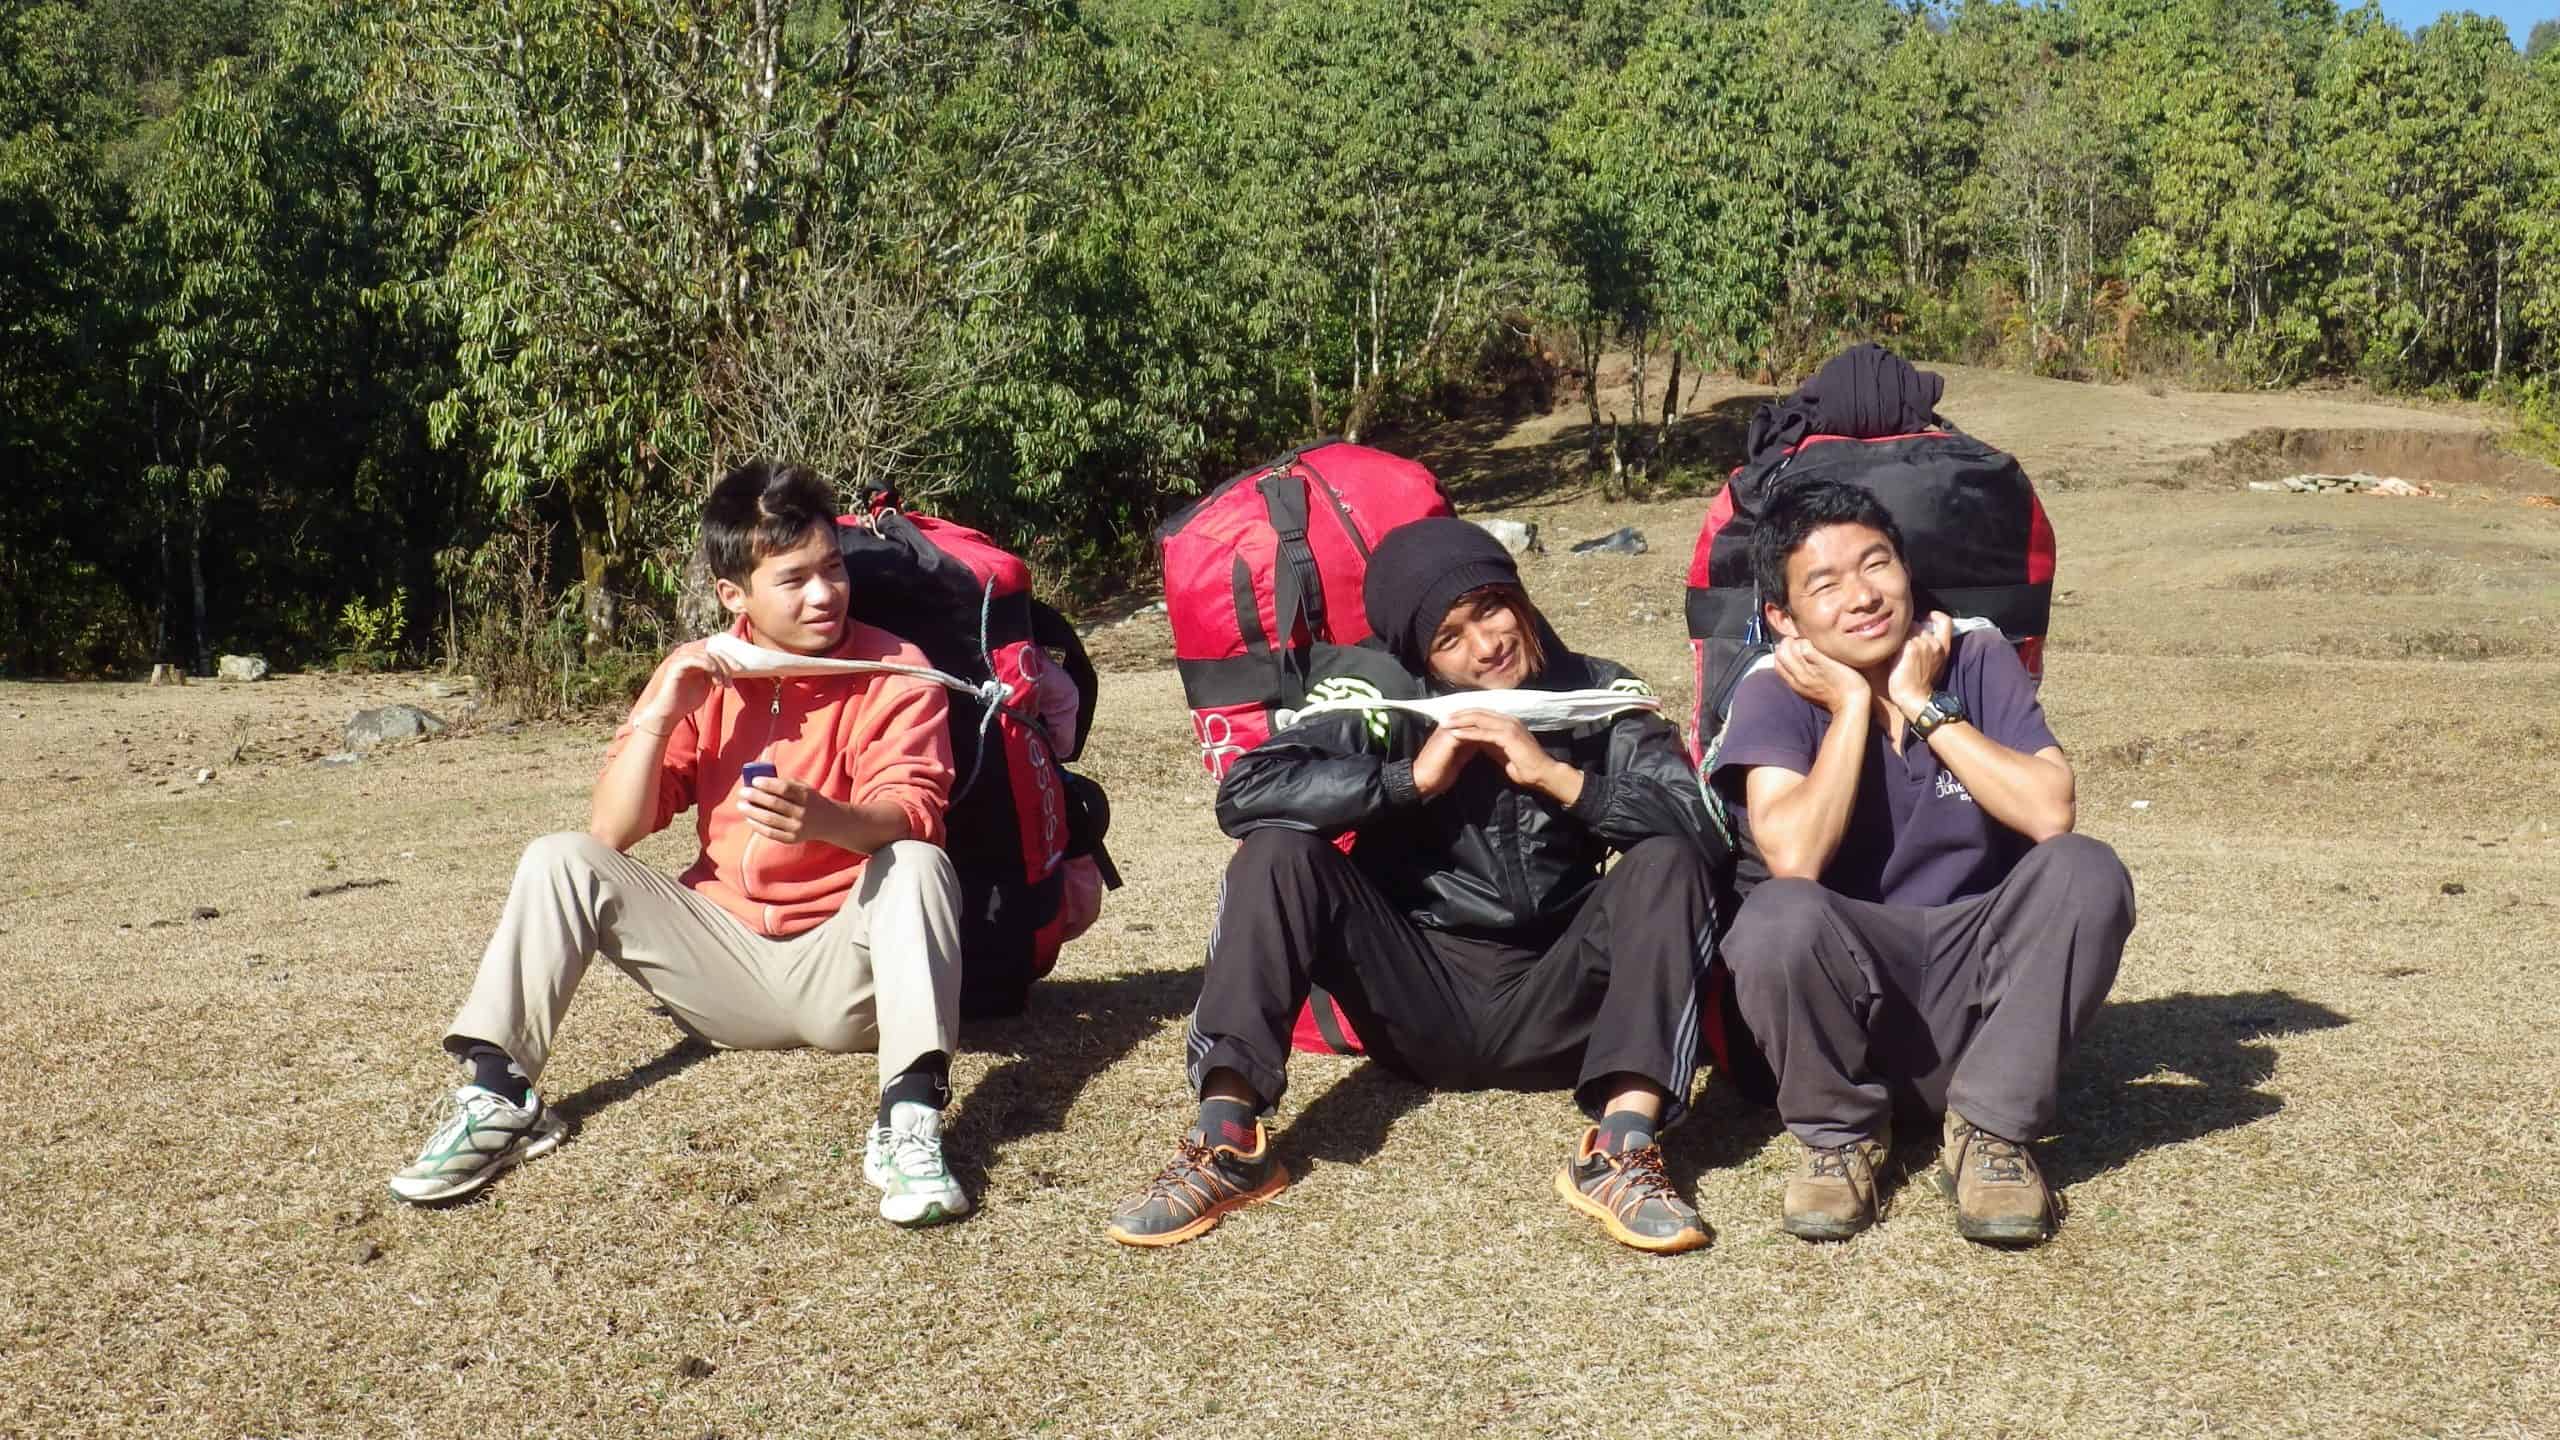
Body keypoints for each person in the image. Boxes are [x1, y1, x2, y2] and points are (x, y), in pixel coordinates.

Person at [1107, 518, 1732, 1254]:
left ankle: (1621, 1146)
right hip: (1419, 993)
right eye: (1450, 636)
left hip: (1563, 999)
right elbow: (1249, 791)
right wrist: (1412, 778)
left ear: (1519, 596)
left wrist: (1559, 778)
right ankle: (1228, 1137)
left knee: (1670, 857)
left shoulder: (1596, 691)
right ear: (1419, 654)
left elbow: (1704, 825)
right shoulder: (1379, 692)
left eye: (1491, 608)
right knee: (1276, 850)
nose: (1485, 644)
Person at [389, 461, 973, 1227]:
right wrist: (664, 707)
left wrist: (826, 820)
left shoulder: (895, 669)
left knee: (919, 864)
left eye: (833, 568)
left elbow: (914, 809)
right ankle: (501, 1094)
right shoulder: (701, 671)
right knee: (559, 857)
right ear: (735, 594)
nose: (825, 594)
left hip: (846, 981)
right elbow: (612, 832)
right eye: (794, 579)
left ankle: (909, 1121)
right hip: (723, 972)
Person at [1708, 479, 2134, 1246]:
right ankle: (1839, 1138)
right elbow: (1793, 855)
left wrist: (1921, 703)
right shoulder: (1772, 692)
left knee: (2086, 871)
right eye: (1826, 584)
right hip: (1856, 1001)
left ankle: (1991, 1131)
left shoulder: (1972, 653)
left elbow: (2049, 811)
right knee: (1776, 915)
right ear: (1783, 617)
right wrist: (1848, 709)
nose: (1863, 596)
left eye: (1877, 565)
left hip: (1980, 997)